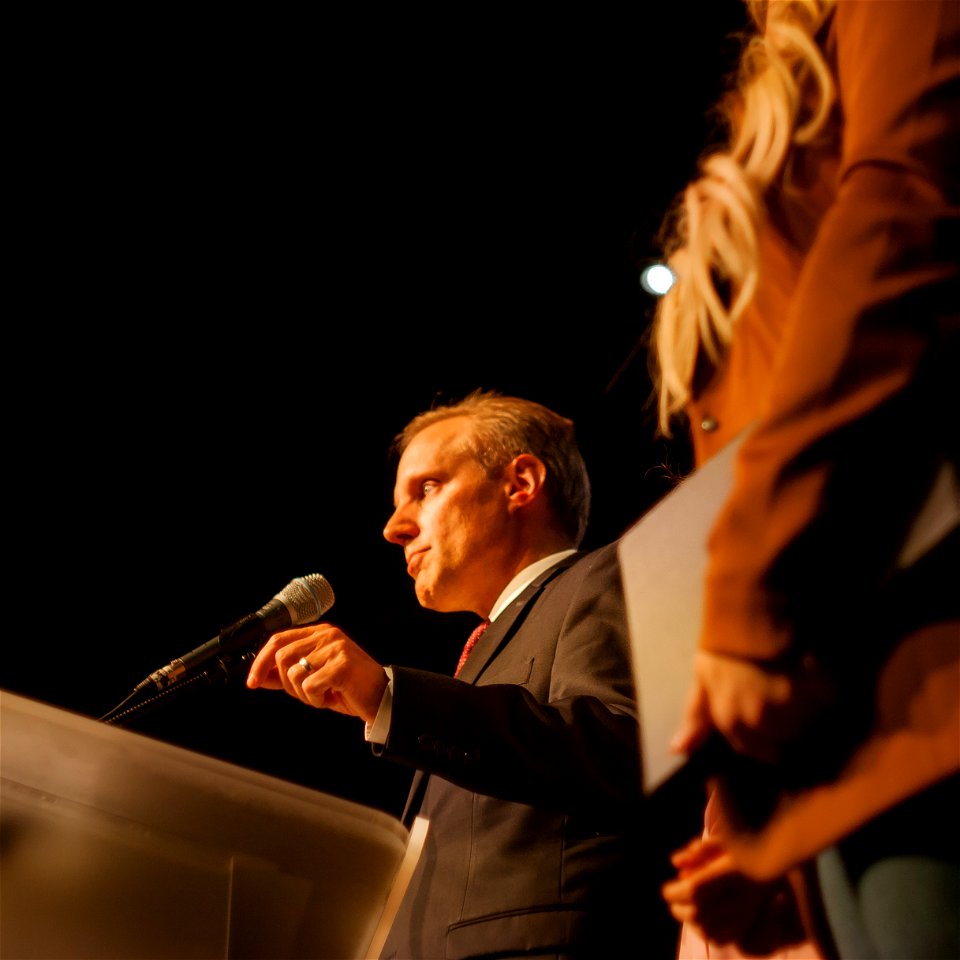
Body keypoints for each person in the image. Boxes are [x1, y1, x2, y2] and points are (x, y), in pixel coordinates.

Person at [644, 0, 959, 957]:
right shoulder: (787, 72)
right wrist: (773, 840)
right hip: (847, 736)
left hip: (926, 696)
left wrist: (752, 580)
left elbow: (904, 210)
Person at [246, 389, 691, 958]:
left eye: (426, 488)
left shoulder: (607, 576)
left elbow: (621, 746)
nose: (394, 527)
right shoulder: (483, 652)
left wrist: (389, 696)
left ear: (520, 483)